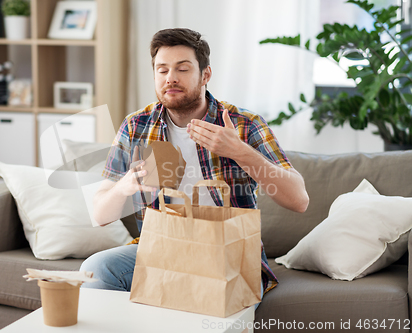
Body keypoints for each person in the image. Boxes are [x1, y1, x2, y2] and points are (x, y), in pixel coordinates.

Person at [79, 28, 309, 303]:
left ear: (206, 75)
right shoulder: (136, 126)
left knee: (205, 298)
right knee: (96, 270)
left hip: (229, 254)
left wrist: (240, 152)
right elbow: (100, 214)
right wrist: (126, 186)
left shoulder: (243, 124)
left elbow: (299, 200)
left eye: (182, 69)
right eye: (162, 70)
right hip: (161, 248)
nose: (171, 78)